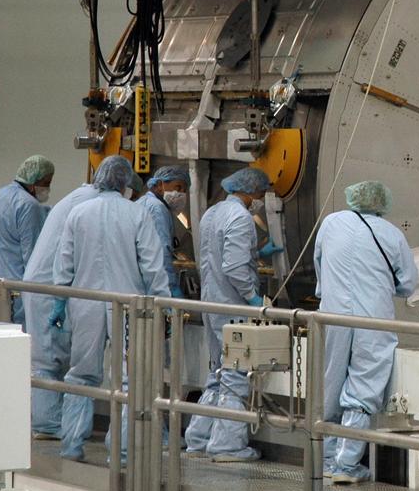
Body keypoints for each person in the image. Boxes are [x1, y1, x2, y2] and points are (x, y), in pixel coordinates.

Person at [48, 156, 169, 462]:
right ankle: (122, 451)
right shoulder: (137, 214)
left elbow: (65, 261)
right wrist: (164, 303)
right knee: (130, 379)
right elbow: (152, 265)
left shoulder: (78, 212)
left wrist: (59, 300)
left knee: (81, 375)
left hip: (84, 303)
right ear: (126, 182)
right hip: (128, 307)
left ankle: (72, 445)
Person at [315, 181, 417, 485]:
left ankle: (327, 459)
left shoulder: (331, 223)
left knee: (330, 385)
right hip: (373, 318)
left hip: (331, 314)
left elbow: (319, 265)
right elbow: (408, 284)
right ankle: (346, 465)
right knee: (363, 387)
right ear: (382, 204)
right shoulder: (391, 234)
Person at [185, 168, 271, 463]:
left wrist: (258, 254)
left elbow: (216, 255)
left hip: (211, 301)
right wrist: (253, 297)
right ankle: (227, 446)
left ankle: (198, 438)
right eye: (261, 194)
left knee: (217, 372)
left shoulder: (212, 213)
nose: (260, 200)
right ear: (250, 192)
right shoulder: (241, 217)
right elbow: (234, 267)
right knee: (235, 374)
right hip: (233, 307)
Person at [24, 179, 102, 439]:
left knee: (48, 355)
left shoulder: (78, 197)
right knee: (48, 357)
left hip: (42, 282)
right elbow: (76, 252)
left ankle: (50, 422)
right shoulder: (91, 204)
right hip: (50, 286)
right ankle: (47, 424)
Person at [0, 155, 55, 326]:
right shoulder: (29, 205)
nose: (48, 188)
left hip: (2, 283)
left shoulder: (0, 195)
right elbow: (33, 255)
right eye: (47, 183)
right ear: (35, 181)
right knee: (24, 340)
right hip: (22, 289)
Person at [140, 165, 190, 297]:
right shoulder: (157, 208)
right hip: (154, 285)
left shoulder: (143, 202)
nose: (181, 194)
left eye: (184, 191)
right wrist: (171, 287)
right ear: (160, 184)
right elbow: (161, 251)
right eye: (178, 187)